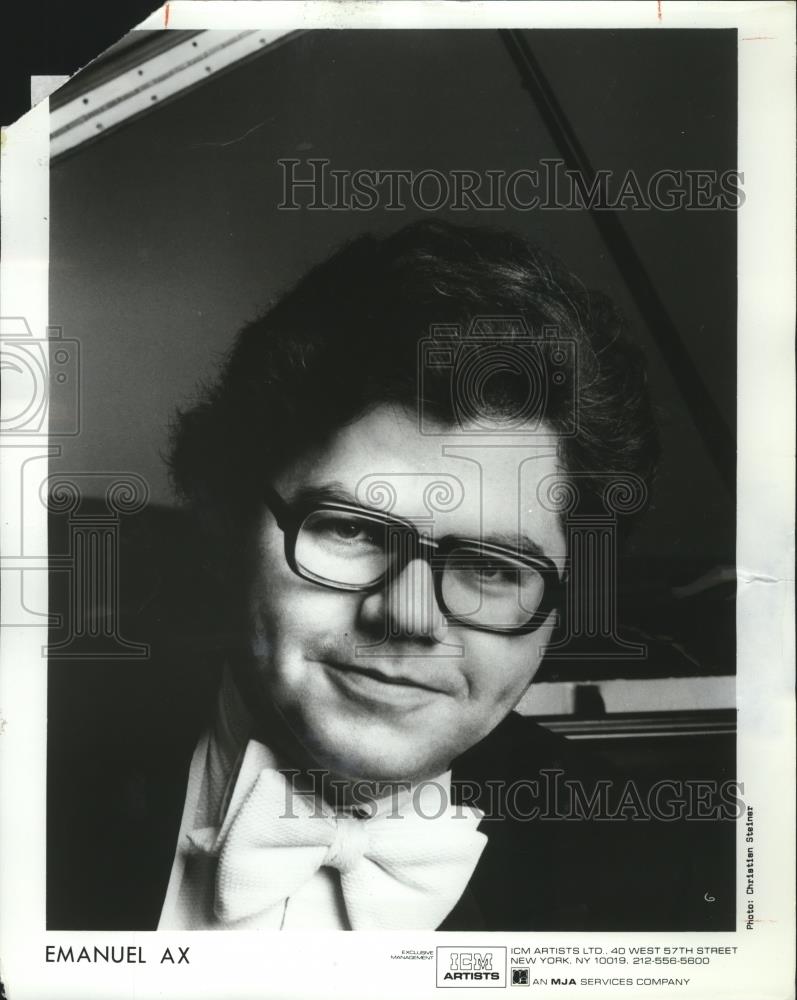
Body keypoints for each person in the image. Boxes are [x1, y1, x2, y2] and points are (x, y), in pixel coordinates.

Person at [46, 220, 734, 932]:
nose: (406, 616)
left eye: (493, 567)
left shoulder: (675, 878)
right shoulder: (39, 768)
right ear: (229, 515)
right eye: (351, 529)